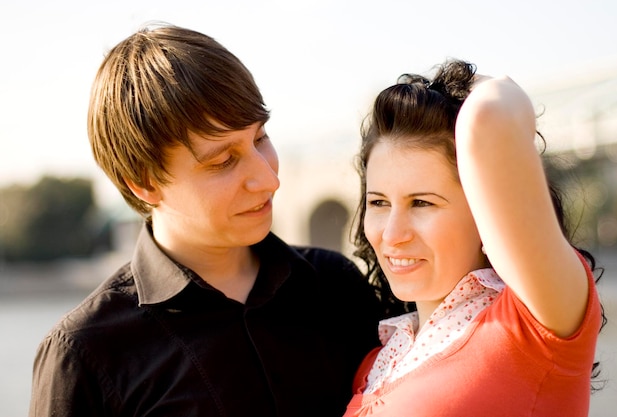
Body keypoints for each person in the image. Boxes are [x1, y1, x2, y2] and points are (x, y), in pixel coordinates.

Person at [28, 23, 383, 417]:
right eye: (223, 161)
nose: (269, 178)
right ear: (145, 183)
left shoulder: (335, 286)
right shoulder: (86, 354)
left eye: (261, 138)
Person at [343, 60, 605, 417]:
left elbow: (491, 115)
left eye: (421, 202)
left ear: (484, 211)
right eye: (378, 202)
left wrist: (456, 89)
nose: (391, 234)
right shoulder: (377, 363)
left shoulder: (533, 324)